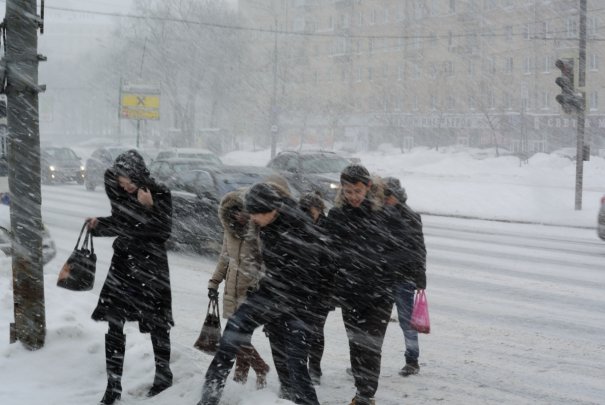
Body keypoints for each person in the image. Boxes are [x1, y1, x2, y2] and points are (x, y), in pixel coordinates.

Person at [198, 182, 324, 405]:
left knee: (295, 363)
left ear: (272, 209)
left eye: (257, 214)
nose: (253, 219)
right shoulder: (269, 221)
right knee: (233, 331)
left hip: (300, 300)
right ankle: (209, 397)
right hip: (273, 291)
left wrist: (276, 301)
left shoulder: (299, 228)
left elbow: (307, 273)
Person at [86, 150, 174, 405]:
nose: (123, 185)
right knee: (114, 322)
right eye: (120, 181)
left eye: (128, 181)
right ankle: (113, 386)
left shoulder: (160, 194)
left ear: (139, 176)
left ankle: (163, 377)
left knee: (158, 323)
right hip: (123, 265)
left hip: (151, 267)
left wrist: (149, 207)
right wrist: (99, 225)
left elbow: (162, 232)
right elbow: (122, 223)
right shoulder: (119, 192)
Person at [324, 164, 406, 405]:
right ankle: (362, 391)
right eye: (348, 191)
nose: (353, 197)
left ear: (368, 187)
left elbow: (401, 250)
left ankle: (365, 395)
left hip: (379, 293)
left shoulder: (384, 214)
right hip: (350, 292)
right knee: (356, 344)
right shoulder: (337, 216)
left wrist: (382, 266)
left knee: (370, 346)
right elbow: (328, 251)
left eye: (357, 191)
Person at [207, 190, 270, 389]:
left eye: (242, 211)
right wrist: (214, 282)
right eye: (234, 213)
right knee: (240, 338)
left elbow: (265, 262)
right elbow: (224, 259)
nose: (239, 216)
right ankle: (241, 378)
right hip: (231, 290)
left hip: (251, 292)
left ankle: (258, 368)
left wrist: (259, 285)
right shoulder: (229, 232)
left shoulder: (258, 231)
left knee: (237, 337)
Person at [382, 177, 427, 377]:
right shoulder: (378, 215)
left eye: (388, 196)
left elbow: (419, 249)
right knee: (378, 323)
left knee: (407, 322)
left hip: (403, 277)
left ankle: (412, 360)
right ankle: (367, 361)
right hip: (382, 277)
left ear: (397, 195)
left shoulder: (410, 217)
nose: (385, 200)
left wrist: (420, 277)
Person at [298, 192, 334, 385]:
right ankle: (303, 367)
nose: (307, 214)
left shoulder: (328, 228)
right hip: (303, 288)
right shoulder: (299, 227)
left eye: (310, 210)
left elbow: (332, 259)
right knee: (302, 330)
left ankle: (315, 369)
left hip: (322, 289)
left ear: (319, 210)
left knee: (317, 330)